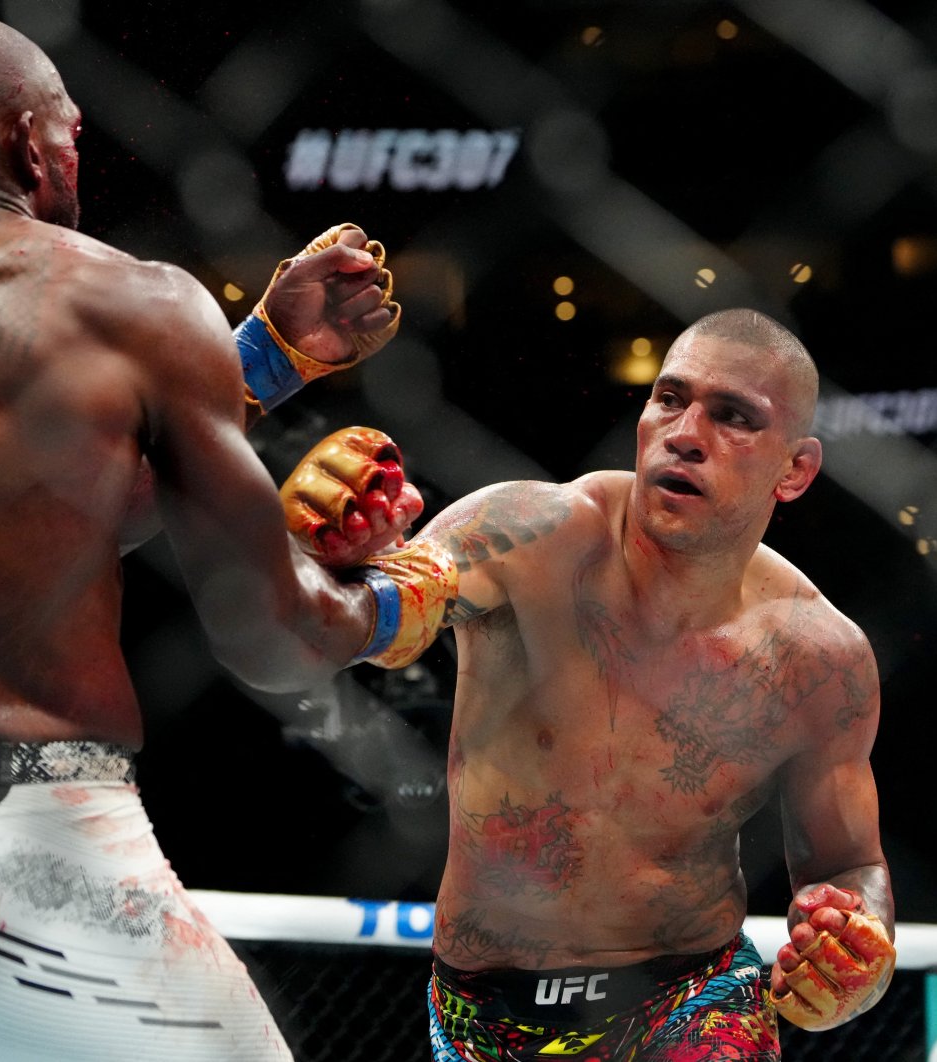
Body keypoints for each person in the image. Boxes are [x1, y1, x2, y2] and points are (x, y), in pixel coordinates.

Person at [0, 9, 432, 1061]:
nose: (74, 162)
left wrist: (267, 356)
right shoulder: (128, 296)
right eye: (70, 137)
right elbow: (268, 637)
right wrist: (403, 598)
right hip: (35, 856)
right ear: (25, 140)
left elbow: (6, 542)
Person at [280, 308, 897, 1059]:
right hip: (488, 1011)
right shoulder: (523, 532)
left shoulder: (816, 655)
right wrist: (327, 562)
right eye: (669, 398)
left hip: (694, 1000)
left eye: (733, 417)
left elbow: (847, 865)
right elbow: (373, 628)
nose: (686, 433)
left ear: (794, 469)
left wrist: (853, 948)